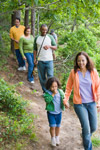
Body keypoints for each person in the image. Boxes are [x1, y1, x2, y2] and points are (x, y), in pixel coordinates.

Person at [63, 51, 100, 150]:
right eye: (79, 61)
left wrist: (99, 102)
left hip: (91, 103)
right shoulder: (74, 72)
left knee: (94, 127)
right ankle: (88, 147)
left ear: (87, 60)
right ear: (76, 62)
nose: (81, 62)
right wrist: (65, 99)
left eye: (83, 60)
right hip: (80, 104)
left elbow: (97, 87)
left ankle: (84, 136)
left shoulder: (93, 72)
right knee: (87, 129)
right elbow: (68, 87)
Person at [34, 24, 57, 93]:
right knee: (42, 78)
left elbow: (55, 47)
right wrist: (34, 59)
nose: (44, 31)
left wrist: (49, 46)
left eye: (46, 30)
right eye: (43, 30)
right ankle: (45, 91)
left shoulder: (50, 37)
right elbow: (35, 50)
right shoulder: (37, 38)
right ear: (40, 30)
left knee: (50, 76)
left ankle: (51, 91)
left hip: (49, 60)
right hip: (40, 60)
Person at [44, 77, 65, 147]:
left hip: (59, 113)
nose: (54, 88)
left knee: (58, 126)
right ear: (49, 86)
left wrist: (66, 103)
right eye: (52, 87)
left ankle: (57, 137)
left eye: (55, 86)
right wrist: (53, 94)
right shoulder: (47, 93)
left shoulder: (60, 92)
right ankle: (53, 138)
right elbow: (47, 100)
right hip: (51, 113)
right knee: (52, 126)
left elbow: (64, 99)